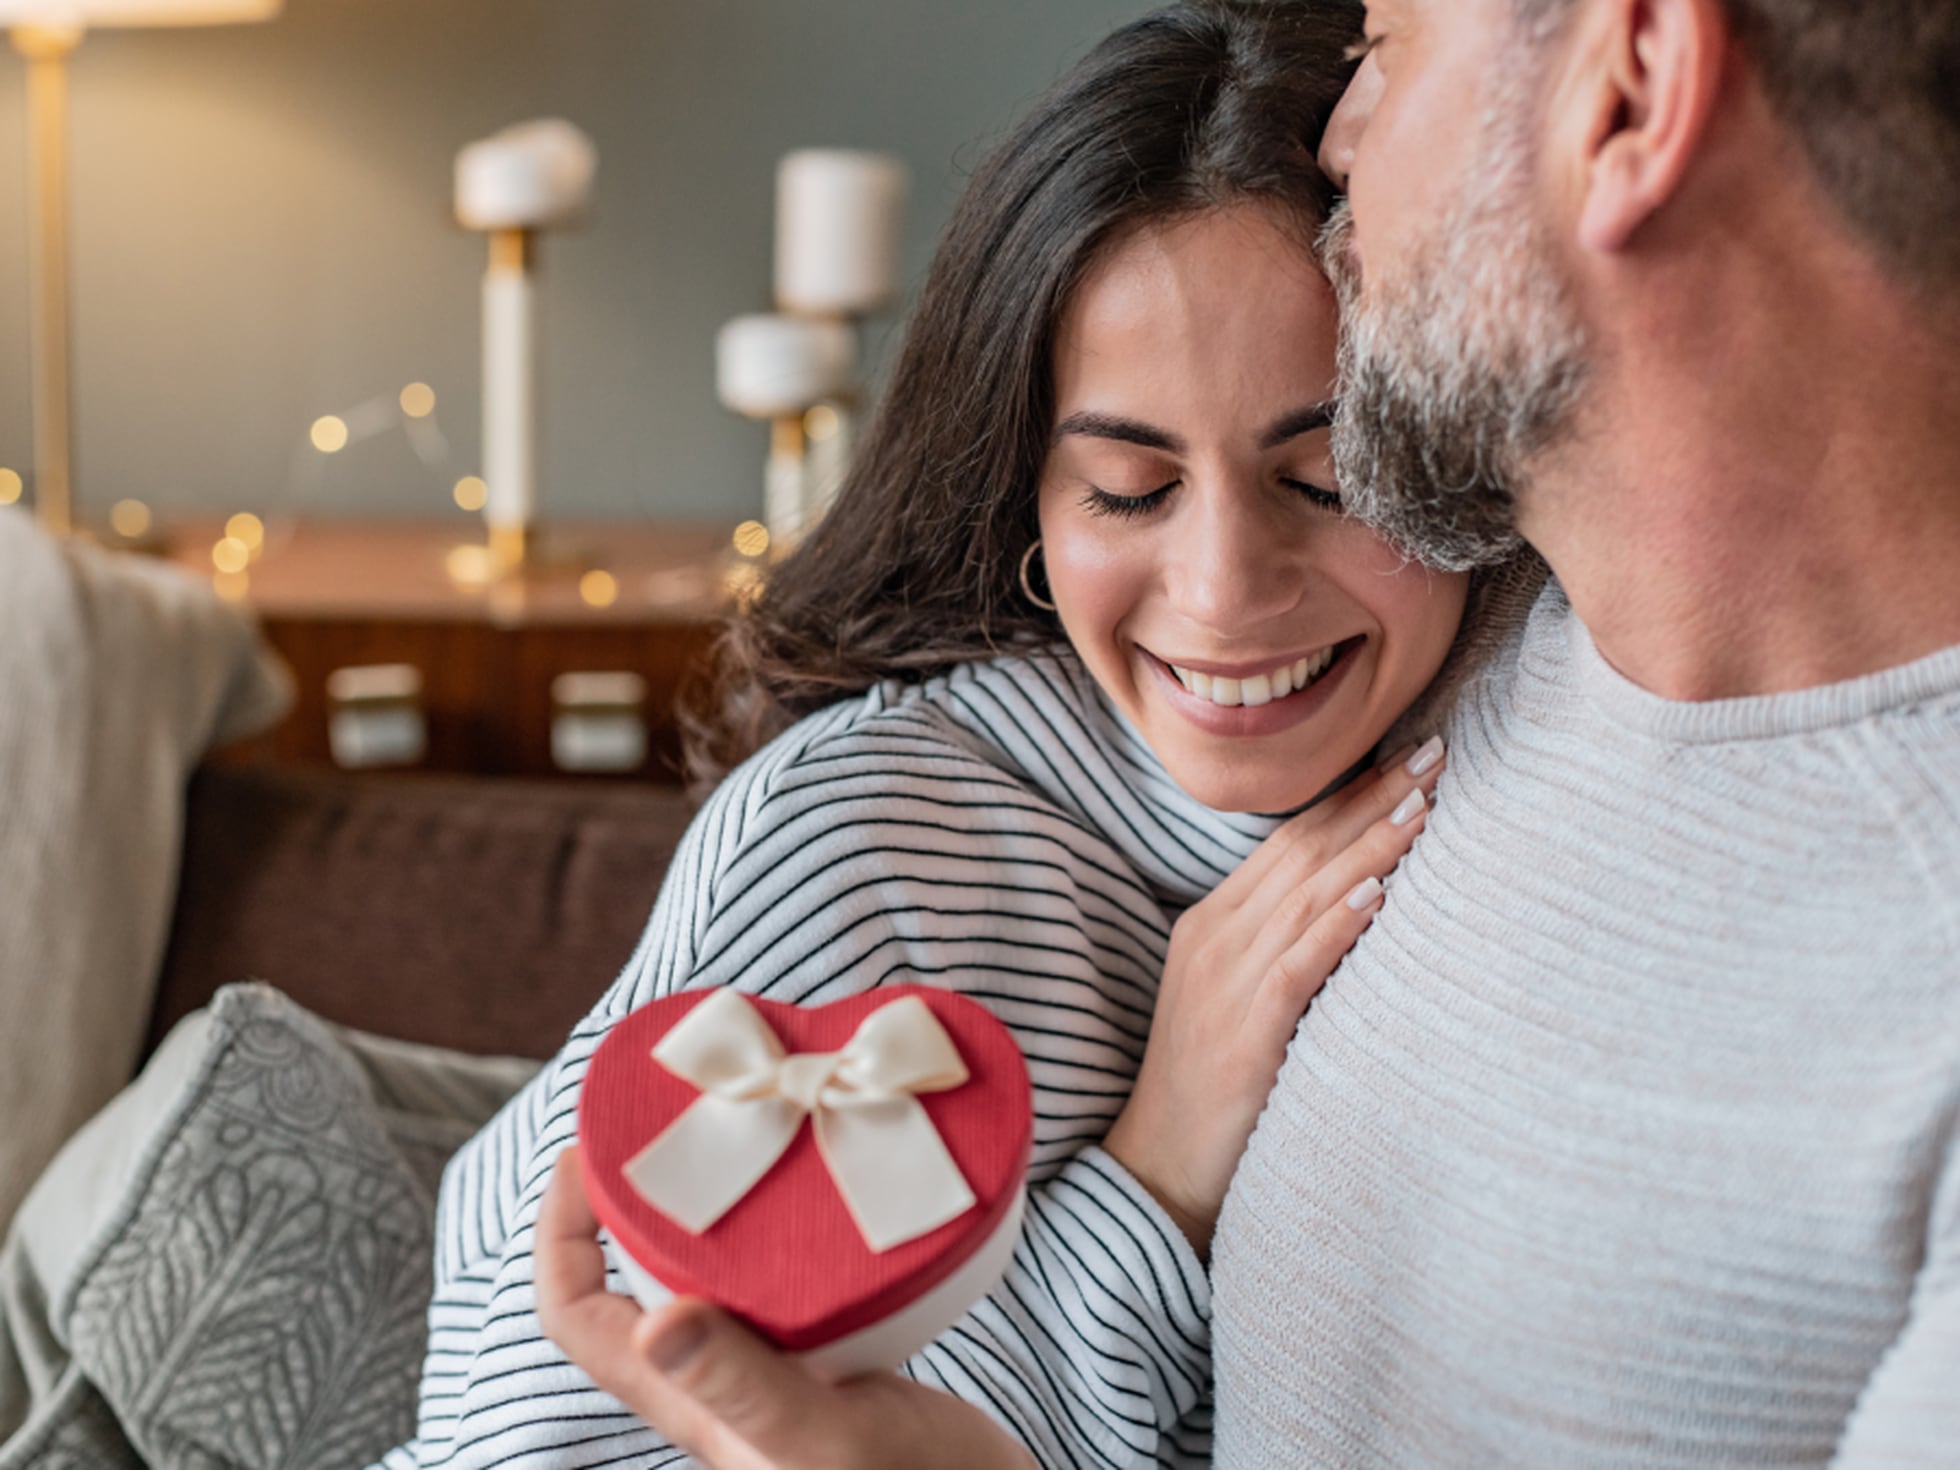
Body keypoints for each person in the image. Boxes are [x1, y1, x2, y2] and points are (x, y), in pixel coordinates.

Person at [534, 0, 1960, 1465]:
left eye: (1397, 38)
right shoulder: (1474, 654)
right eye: (1129, 488)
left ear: (1637, 77)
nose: (1340, 129)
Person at [380, 4, 1491, 1467]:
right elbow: (535, 1432)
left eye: (1328, 472)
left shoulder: (1511, 740)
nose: (1225, 592)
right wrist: (1153, 1173)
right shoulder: (859, 849)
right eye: (1127, 488)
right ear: (1028, 506)